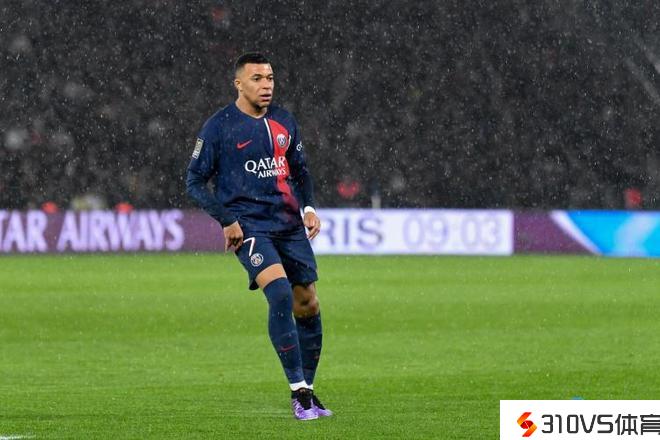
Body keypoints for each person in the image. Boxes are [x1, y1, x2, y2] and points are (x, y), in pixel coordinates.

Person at [186, 52, 331, 421]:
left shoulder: (284, 120)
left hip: (288, 225)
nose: (266, 85)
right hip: (250, 226)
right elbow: (194, 181)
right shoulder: (218, 127)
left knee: (308, 303)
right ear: (238, 84)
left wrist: (308, 207)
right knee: (280, 292)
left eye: (270, 78)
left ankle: (309, 390)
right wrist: (227, 220)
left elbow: (300, 170)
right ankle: (298, 391)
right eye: (257, 79)